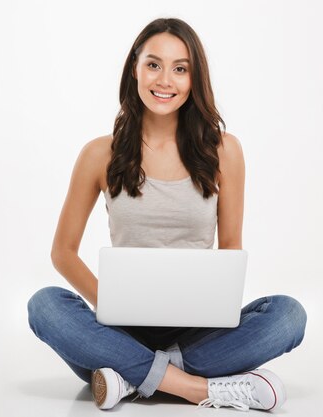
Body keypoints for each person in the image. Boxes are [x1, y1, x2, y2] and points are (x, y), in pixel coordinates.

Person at [27, 17, 307, 412]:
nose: (165, 80)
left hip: (199, 332)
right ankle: (195, 387)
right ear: (134, 70)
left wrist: (218, 303)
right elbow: (63, 253)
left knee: (288, 315)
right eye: (153, 65)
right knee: (44, 305)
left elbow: (230, 246)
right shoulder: (98, 154)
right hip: (119, 331)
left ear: (194, 80)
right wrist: (109, 304)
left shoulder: (224, 151)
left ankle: (132, 378)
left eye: (180, 69)